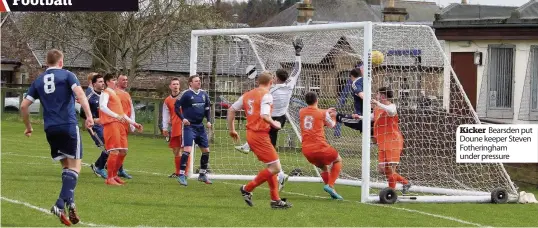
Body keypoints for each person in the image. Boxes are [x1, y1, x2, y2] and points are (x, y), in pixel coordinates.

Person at [20, 49, 94, 226]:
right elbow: (81, 95)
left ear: (46, 63)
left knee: (67, 167)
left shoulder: (38, 81)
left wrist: (28, 127)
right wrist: (89, 116)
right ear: (61, 62)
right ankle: (60, 204)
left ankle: (71, 203)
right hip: (68, 125)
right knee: (76, 166)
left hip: (50, 128)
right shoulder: (68, 75)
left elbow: (24, 106)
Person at [235, 37, 303, 191]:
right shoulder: (290, 84)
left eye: (273, 77)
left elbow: (261, 92)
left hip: (271, 120)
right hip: (281, 118)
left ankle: (280, 176)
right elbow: (297, 70)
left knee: (268, 153)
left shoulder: (271, 90)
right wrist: (298, 53)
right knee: (267, 150)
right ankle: (248, 146)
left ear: (276, 79)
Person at [227, 71, 292, 209]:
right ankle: (247, 188)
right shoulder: (267, 95)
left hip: (251, 134)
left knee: (271, 167)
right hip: (260, 135)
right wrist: (276, 124)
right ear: (271, 82)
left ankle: (275, 200)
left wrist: (232, 129)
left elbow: (231, 110)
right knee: (276, 167)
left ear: (257, 82)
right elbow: (264, 115)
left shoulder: (247, 94)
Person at [99, 74, 142, 186]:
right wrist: (115, 116)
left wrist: (134, 123)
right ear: (107, 82)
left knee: (123, 151)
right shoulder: (106, 92)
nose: (115, 82)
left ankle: (114, 175)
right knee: (114, 150)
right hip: (111, 124)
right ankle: (109, 178)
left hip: (120, 124)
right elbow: (103, 107)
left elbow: (122, 113)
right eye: (113, 80)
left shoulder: (115, 94)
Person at [299, 91, 343, 200]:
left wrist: (325, 112)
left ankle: (332, 191)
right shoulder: (322, 113)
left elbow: (313, 117)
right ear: (317, 100)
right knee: (338, 160)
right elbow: (332, 125)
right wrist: (332, 116)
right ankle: (330, 185)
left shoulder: (301, 112)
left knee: (324, 167)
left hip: (306, 150)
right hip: (319, 147)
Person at [370, 87, 411, 194]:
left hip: (393, 141)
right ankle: (405, 182)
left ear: (383, 96)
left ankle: (391, 192)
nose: (376, 96)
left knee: (392, 169)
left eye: (378, 94)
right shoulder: (377, 108)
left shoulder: (391, 106)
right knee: (382, 169)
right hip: (383, 142)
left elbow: (392, 111)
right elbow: (371, 117)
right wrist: (358, 117)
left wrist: (378, 103)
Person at [174, 75, 212, 186]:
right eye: (196, 81)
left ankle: (202, 174)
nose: (199, 82)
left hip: (200, 126)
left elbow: (207, 109)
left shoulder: (204, 94)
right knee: (187, 150)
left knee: (206, 151)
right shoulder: (186, 94)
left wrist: (209, 120)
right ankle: (181, 175)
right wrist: (183, 119)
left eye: (199, 81)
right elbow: (176, 107)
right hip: (189, 126)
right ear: (190, 83)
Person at [162, 77, 190, 178]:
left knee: (185, 149)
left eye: (177, 84)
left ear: (180, 86)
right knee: (176, 150)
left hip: (185, 127)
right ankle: (178, 172)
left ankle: (185, 172)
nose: (175, 86)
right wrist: (164, 128)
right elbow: (165, 114)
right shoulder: (167, 100)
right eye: (174, 84)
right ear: (170, 86)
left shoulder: (185, 97)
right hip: (175, 127)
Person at [113, 74, 135, 179]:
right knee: (119, 149)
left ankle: (118, 170)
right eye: (123, 80)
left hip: (125, 124)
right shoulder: (115, 93)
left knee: (121, 149)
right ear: (117, 81)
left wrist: (132, 123)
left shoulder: (126, 94)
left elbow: (131, 109)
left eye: (126, 79)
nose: (125, 81)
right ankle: (112, 172)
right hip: (117, 124)